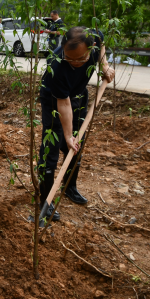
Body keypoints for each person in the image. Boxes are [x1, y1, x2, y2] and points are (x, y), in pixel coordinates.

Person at [37, 27, 114, 222]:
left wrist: (104, 65)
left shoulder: (95, 42)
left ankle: (70, 187)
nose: (75, 63)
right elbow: (63, 104)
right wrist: (68, 135)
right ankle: (45, 197)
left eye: (81, 59)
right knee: (52, 146)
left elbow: (102, 43)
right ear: (63, 48)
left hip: (78, 94)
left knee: (76, 146)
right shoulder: (55, 65)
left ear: (91, 48)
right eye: (70, 58)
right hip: (55, 100)